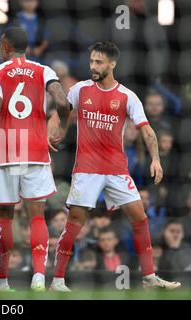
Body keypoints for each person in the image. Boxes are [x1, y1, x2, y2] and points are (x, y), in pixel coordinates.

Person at [50, 41, 181, 291]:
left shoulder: (127, 96)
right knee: (75, 220)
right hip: (86, 168)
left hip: (117, 169)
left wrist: (155, 159)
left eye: (98, 62)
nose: (93, 66)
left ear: (113, 64)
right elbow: (61, 111)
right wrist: (58, 130)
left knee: (139, 217)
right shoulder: (79, 89)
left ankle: (149, 277)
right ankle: (57, 281)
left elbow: (147, 130)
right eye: (91, 61)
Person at [0, 27, 70, 292]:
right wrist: (62, 127)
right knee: (36, 215)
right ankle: (39, 276)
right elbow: (62, 101)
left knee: (3, 216)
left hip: (5, 153)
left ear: (5, 46)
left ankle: (1, 281)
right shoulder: (44, 70)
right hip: (36, 151)